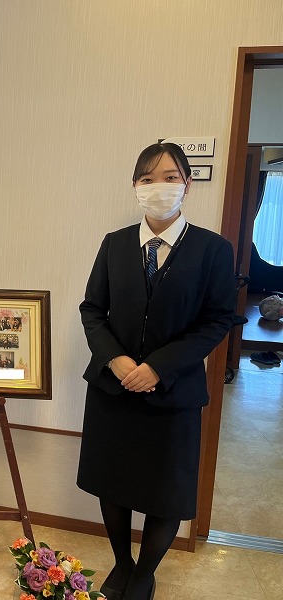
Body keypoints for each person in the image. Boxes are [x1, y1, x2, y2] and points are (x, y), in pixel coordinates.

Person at [77, 143, 236, 600]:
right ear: (135, 186)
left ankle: (145, 573)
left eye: (170, 177)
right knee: (113, 482)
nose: (158, 187)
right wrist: (116, 359)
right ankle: (123, 564)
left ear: (187, 184)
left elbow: (218, 319)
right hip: (113, 389)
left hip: (173, 392)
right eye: (147, 179)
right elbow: (92, 309)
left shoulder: (213, 249)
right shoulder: (115, 243)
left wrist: (158, 368)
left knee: (166, 488)